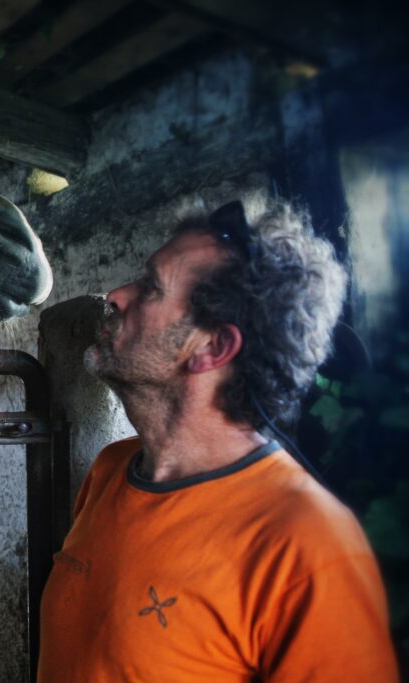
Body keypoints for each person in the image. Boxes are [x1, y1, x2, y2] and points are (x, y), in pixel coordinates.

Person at [38, 197, 399, 681]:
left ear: (213, 346)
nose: (117, 296)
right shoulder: (110, 469)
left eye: (151, 287)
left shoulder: (309, 543)